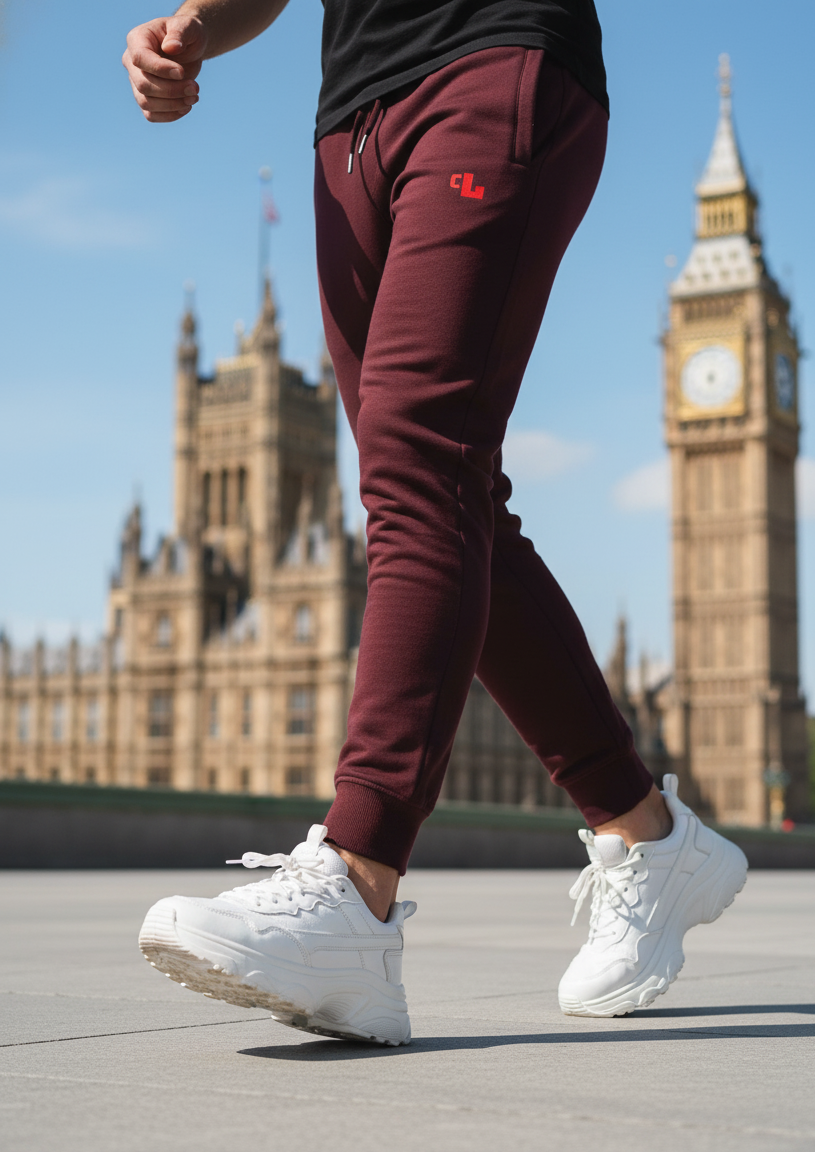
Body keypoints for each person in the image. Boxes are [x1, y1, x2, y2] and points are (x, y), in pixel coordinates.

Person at [126, 0, 748, 1045]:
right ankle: (648, 836)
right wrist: (196, 22)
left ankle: (357, 882)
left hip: (489, 52)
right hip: (349, 119)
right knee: (446, 497)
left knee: (417, 468)